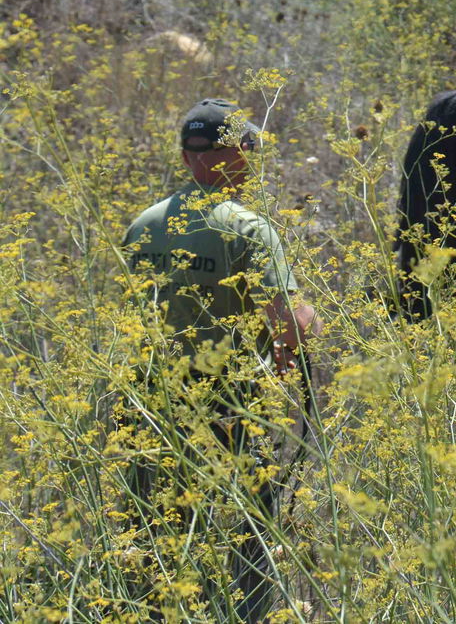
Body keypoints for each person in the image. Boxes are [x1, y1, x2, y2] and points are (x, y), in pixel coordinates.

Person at [120, 98, 320, 623]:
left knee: (158, 526)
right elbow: (290, 327)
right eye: (251, 148)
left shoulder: (143, 223)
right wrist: (311, 318)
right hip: (229, 405)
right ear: (240, 153)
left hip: (150, 401)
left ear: (187, 157)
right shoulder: (249, 229)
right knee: (250, 526)